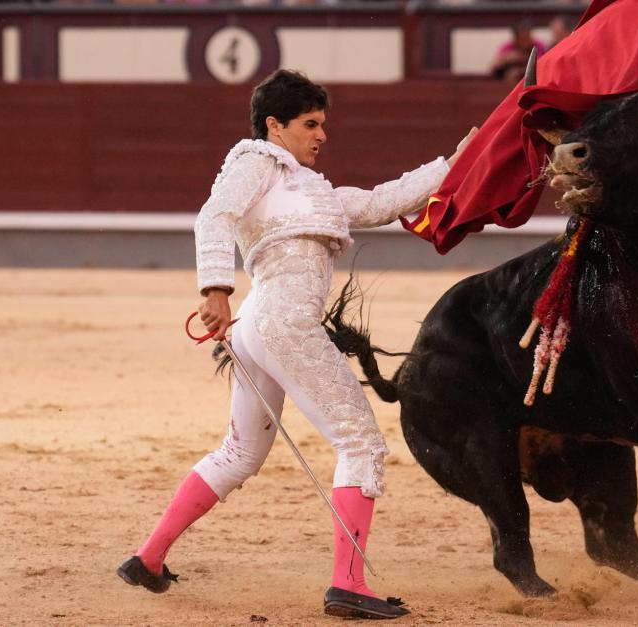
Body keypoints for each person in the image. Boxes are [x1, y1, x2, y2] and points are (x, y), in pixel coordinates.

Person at [117, 69, 476, 620]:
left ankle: (149, 559)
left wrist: (454, 164)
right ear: (274, 126)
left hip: (261, 327)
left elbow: (382, 201)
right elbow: (214, 215)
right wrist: (214, 287)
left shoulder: (311, 190)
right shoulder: (255, 161)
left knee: (239, 453)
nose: (322, 135)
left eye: (323, 124)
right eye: (310, 124)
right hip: (281, 322)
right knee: (360, 443)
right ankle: (347, 583)